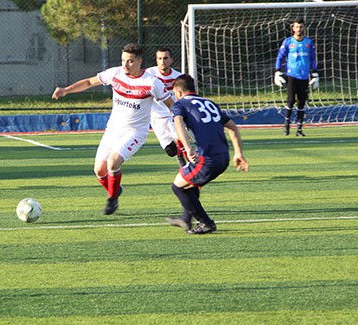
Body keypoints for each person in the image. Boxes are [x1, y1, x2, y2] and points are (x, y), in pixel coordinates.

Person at [52, 43, 175, 215]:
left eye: (130, 61)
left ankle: (112, 199)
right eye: (124, 60)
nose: (125, 65)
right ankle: (115, 190)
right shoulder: (115, 73)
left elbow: (172, 105)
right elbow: (89, 82)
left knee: (113, 163)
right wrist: (66, 90)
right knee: (99, 171)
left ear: (139, 61)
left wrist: (181, 124)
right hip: (113, 131)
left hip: (135, 133)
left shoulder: (152, 83)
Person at [166, 74, 249, 234]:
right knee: (190, 183)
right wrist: (238, 153)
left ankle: (206, 223)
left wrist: (188, 148)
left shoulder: (180, 104)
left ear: (178, 92)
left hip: (207, 159)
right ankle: (185, 219)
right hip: (223, 157)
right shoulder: (210, 103)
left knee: (177, 187)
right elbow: (233, 127)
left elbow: (178, 124)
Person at [274, 18, 318, 137]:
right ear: (293, 28)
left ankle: (299, 129)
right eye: (297, 27)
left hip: (304, 76)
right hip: (291, 75)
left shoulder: (309, 42)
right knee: (290, 100)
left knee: (301, 102)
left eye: (301, 27)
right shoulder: (288, 42)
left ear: (304, 28)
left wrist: (315, 73)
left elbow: (313, 58)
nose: (299, 29)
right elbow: (280, 57)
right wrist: (277, 71)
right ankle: (286, 127)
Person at [146, 48, 186, 167]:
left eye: (165, 58)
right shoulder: (149, 74)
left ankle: (187, 166)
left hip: (174, 114)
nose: (162, 61)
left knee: (180, 139)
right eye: (160, 58)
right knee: (170, 150)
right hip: (156, 117)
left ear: (171, 60)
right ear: (156, 60)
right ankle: (178, 154)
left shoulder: (179, 77)